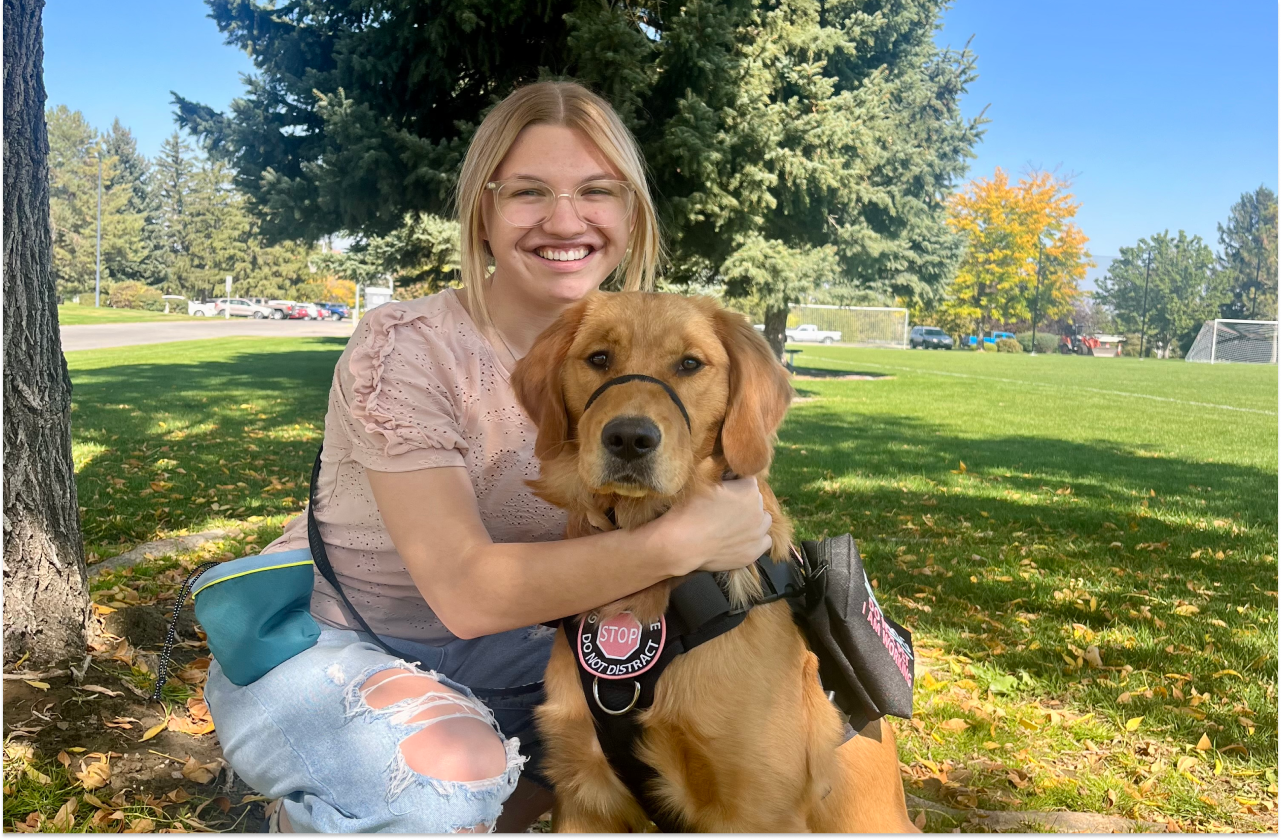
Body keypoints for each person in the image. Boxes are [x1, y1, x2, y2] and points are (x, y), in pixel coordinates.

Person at [203, 81, 774, 834]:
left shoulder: (659, 349)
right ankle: (318, 811)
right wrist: (680, 541)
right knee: (446, 778)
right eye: (528, 192)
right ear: (483, 212)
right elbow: (466, 593)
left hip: (522, 652)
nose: (564, 220)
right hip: (338, 645)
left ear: (629, 218)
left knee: (689, 712)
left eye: (596, 192)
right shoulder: (405, 347)